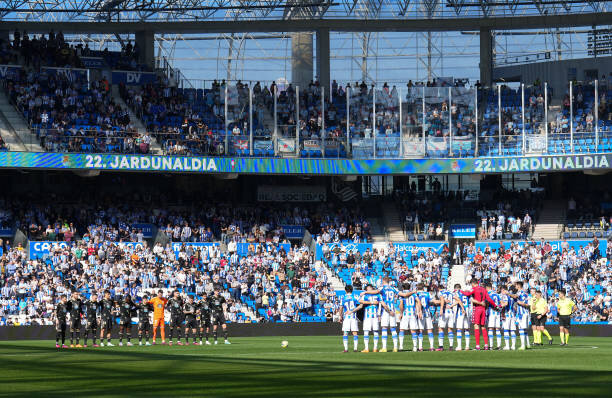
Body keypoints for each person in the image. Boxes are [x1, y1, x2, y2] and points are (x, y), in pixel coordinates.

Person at [461, 280, 499, 350]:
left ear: (473, 283)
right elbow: (489, 299)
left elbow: (467, 294)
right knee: (483, 326)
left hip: (477, 308)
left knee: (476, 325)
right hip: (483, 309)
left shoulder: (474, 289)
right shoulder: (484, 289)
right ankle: (486, 345)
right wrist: (495, 305)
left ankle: (478, 346)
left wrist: (461, 291)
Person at [366, 277, 399, 352]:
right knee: (393, 329)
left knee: (384, 328)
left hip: (385, 310)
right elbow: (402, 294)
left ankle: (384, 347)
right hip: (393, 309)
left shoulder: (382, 288)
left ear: (383, 281)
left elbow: (374, 292)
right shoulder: (394, 288)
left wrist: (365, 292)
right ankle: (395, 347)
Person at [359, 284, 385, 353]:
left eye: (370, 288)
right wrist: (371, 302)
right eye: (368, 288)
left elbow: (381, 304)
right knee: (366, 331)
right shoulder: (366, 295)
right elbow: (360, 301)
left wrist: (380, 314)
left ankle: (375, 348)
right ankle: (366, 348)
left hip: (375, 316)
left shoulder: (378, 295)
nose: (369, 289)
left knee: (375, 331)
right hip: (367, 316)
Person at [398, 284, 420, 352]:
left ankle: (401, 347)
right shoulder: (413, 294)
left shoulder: (402, 294)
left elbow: (401, 304)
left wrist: (401, 313)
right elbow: (418, 301)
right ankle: (415, 347)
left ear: (403, 287)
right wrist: (419, 311)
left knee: (402, 330)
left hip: (405, 313)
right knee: (413, 330)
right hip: (412, 313)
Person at [339, 285, 361, 353]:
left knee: (345, 332)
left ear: (345, 290)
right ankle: (355, 349)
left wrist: (340, 316)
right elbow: (361, 305)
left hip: (347, 317)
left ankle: (346, 349)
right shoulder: (355, 297)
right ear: (352, 290)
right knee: (355, 332)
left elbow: (341, 308)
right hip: (353, 317)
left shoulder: (343, 298)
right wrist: (354, 310)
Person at [416, 283, 437, 351]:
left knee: (420, 330)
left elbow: (417, 303)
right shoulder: (427, 294)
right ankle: (431, 347)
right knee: (429, 330)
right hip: (427, 313)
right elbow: (434, 301)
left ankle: (420, 347)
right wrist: (442, 301)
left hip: (420, 313)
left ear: (417, 288)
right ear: (423, 288)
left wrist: (419, 311)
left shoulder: (416, 294)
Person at [513, 281, 531, 350]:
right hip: (525, 313)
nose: (515, 286)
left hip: (522, 313)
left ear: (518, 286)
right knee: (525, 329)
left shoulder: (520, 293)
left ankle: (523, 345)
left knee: (521, 329)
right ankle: (528, 344)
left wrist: (518, 302)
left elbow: (525, 304)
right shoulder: (526, 293)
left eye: (516, 285)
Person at [437, 287, 456, 351]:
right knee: (450, 329)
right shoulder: (451, 293)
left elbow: (442, 300)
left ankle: (441, 346)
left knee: (441, 328)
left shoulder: (440, 292)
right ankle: (451, 346)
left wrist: (441, 308)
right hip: (451, 311)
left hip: (445, 311)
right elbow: (458, 300)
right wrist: (451, 305)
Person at [453, 283, 471, 351]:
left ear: (456, 288)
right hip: (468, 310)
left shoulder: (457, 293)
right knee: (466, 329)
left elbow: (458, 301)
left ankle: (459, 346)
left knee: (459, 329)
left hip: (461, 310)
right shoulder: (466, 293)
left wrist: (451, 305)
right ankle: (467, 346)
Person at [486, 284, 503, 350]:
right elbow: (501, 303)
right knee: (497, 329)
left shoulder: (489, 294)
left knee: (490, 328)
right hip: (498, 313)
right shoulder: (497, 294)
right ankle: (499, 346)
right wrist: (499, 308)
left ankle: (491, 346)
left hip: (492, 312)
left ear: (488, 287)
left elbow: (489, 302)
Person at [500, 285, 517, 350]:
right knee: (512, 330)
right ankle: (513, 346)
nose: (501, 292)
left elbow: (505, 304)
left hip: (507, 314)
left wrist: (500, 305)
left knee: (506, 330)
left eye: (502, 290)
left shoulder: (505, 296)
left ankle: (507, 346)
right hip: (512, 314)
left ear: (504, 290)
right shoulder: (512, 296)